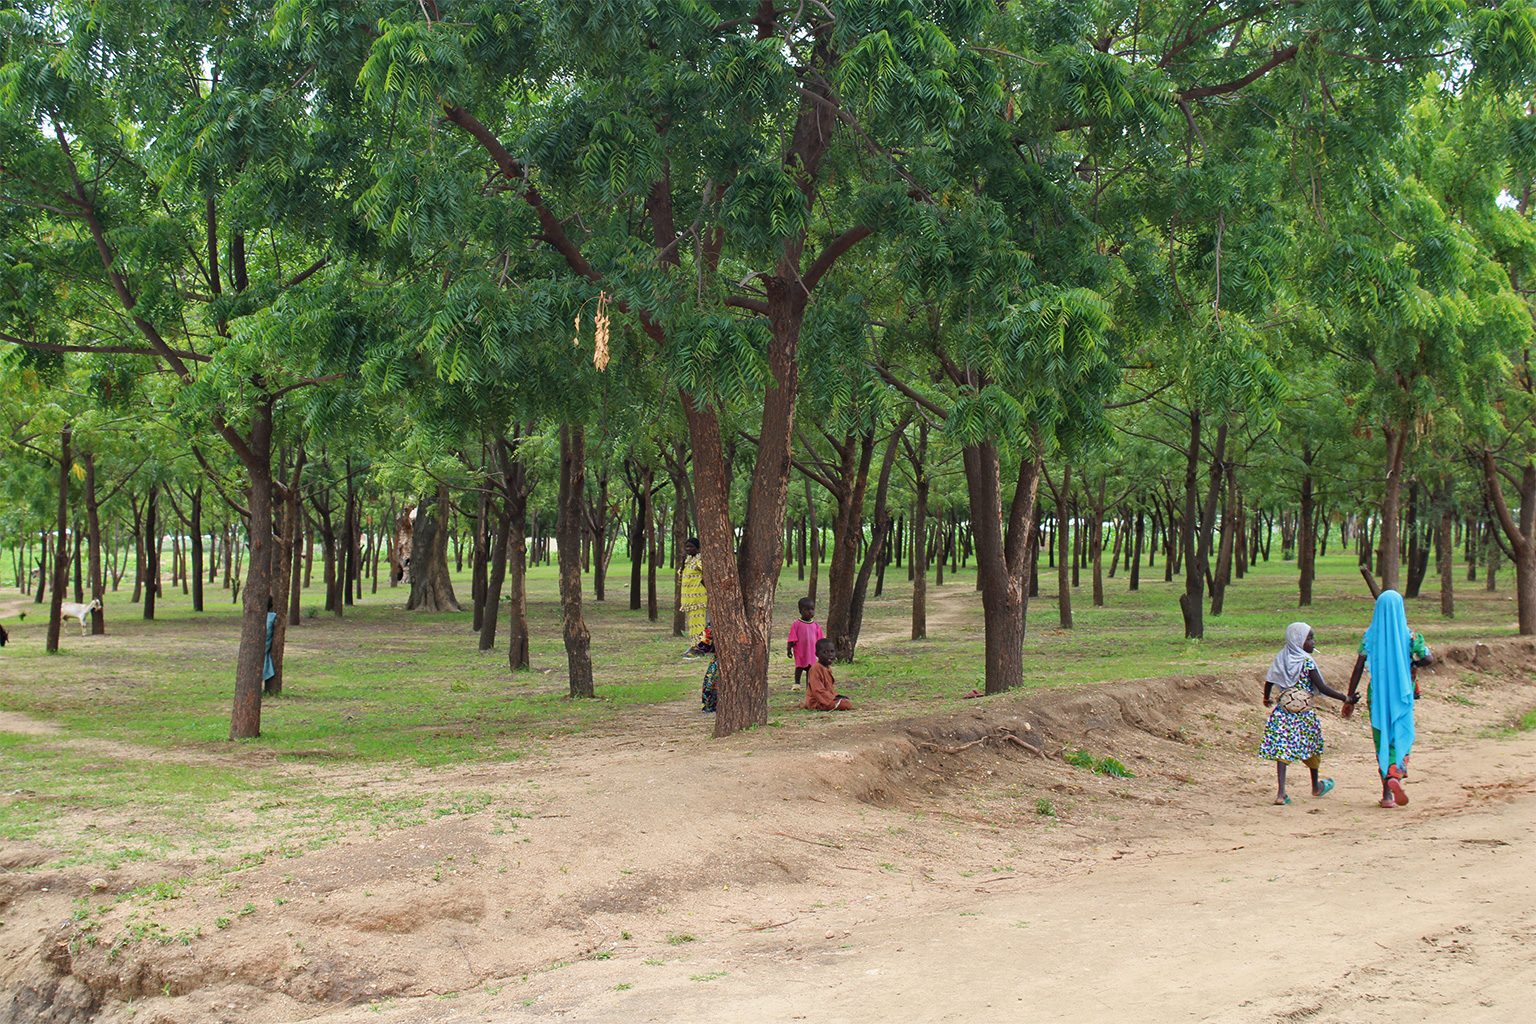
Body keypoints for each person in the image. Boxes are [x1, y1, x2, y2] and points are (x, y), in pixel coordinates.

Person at [1346, 590, 1431, 808]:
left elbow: (1358, 667)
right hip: (1402, 693)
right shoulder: (1410, 636)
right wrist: (1412, 664)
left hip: (1378, 696)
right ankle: (1396, 775)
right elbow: (1427, 658)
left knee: (1382, 737)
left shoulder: (1370, 636)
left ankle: (1387, 794)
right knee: (1400, 733)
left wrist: (1349, 697)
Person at [1260, 622, 1353, 804]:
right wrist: (1345, 698)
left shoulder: (1282, 657)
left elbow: (1270, 679)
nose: (1313, 642)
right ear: (1298, 640)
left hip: (1283, 714)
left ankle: (1281, 793)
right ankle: (1315, 786)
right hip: (1304, 715)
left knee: (1282, 751)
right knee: (1312, 746)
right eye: (1309, 638)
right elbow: (1322, 687)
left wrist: (1266, 698)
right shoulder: (1306, 662)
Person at [786, 597, 825, 691]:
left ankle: (809, 686)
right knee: (799, 666)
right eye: (807, 609)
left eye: (812, 609)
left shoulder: (815, 625)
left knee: (810, 669)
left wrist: (822, 651)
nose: (810, 612)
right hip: (800, 650)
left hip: (812, 651)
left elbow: (821, 639)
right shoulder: (797, 624)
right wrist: (789, 649)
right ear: (800, 610)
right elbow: (792, 638)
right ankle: (797, 683)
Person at [804, 638, 852, 711]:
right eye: (825, 652)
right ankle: (810, 704)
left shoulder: (827, 668)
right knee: (846, 704)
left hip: (826, 698)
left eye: (832, 652)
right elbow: (817, 690)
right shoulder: (816, 668)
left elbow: (829, 689)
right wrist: (832, 699)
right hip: (819, 702)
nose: (830, 655)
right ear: (817, 654)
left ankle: (806, 703)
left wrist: (837, 696)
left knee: (845, 699)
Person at [678, 537, 707, 656]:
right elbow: (681, 574)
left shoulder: (700, 560)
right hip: (688, 598)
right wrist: (682, 560)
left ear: (697, 548)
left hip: (697, 597)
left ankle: (698, 647)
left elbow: (705, 573)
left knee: (698, 623)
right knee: (692, 624)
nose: (688, 549)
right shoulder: (688, 560)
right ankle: (694, 645)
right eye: (687, 547)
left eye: (691, 547)